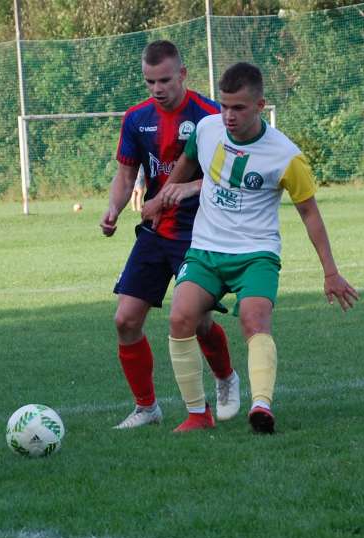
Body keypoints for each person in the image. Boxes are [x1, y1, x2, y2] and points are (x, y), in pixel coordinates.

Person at [151, 62, 358, 433]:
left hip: (256, 254)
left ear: (260, 105)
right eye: (224, 106)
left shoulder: (286, 155)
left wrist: (330, 271)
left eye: (239, 108)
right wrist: (162, 196)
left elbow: (310, 213)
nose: (228, 116)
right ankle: (198, 415)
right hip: (206, 250)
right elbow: (186, 161)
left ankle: (261, 406)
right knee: (180, 318)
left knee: (254, 320)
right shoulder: (206, 129)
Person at [100, 40, 239, 429]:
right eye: (149, 82)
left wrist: (187, 190)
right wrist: (113, 208)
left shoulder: (211, 115)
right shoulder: (135, 118)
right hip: (154, 231)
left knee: (197, 322)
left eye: (164, 80)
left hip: (200, 232)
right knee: (125, 320)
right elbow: (127, 173)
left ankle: (225, 378)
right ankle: (147, 407)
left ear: (182, 74)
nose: (157, 89)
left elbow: (228, 177)